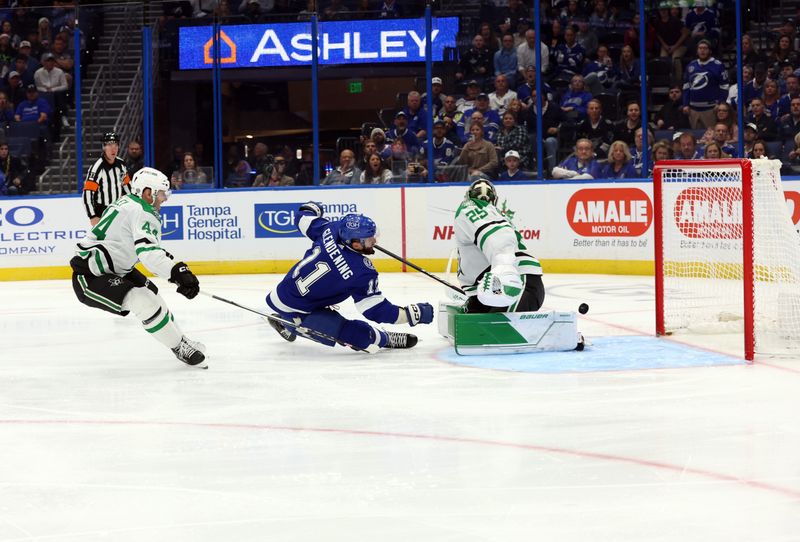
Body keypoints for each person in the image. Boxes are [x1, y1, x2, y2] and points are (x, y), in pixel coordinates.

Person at [70, 167, 206, 367]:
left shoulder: (129, 202)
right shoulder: (143, 211)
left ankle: (180, 340)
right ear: (147, 192)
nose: (164, 199)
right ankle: (178, 346)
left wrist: (173, 270)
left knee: (152, 293)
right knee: (143, 301)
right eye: (161, 193)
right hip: (90, 276)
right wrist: (177, 271)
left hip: (116, 269)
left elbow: (139, 247)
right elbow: (148, 253)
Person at [265, 202, 433, 351]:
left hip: (287, 290)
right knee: (360, 338)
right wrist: (410, 315)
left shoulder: (331, 229)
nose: (374, 241)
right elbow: (375, 310)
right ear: (355, 243)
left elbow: (301, 217)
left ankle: (287, 321)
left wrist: (311, 208)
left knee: (334, 325)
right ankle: (386, 338)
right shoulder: (361, 271)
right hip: (298, 307)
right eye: (368, 240)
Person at [454, 178, 544, 313]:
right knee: (476, 330)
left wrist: (504, 267)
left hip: (513, 283)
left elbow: (498, 238)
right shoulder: (493, 216)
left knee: (493, 333)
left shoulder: (469, 207)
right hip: (498, 286)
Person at [82, 131, 129, 226]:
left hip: (118, 211)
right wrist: (92, 216)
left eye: (116, 145)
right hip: (102, 214)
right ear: (103, 147)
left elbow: (127, 187)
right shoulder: (97, 167)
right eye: (110, 145)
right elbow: (87, 194)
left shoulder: (121, 164)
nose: (113, 149)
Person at [682, 39, 729, 129]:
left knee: (710, 136)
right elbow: (686, 86)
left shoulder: (718, 65)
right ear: (697, 51)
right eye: (700, 48)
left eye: (705, 48)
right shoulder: (691, 66)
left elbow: (724, 86)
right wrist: (685, 104)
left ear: (710, 51)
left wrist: (720, 103)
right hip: (693, 109)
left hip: (710, 109)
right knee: (696, 137)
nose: (702, 50)